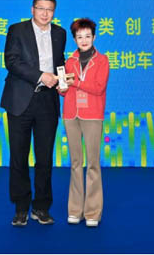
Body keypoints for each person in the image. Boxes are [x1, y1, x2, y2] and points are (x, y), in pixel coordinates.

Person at [0, 0, 66, 227]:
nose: (45, 14)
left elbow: (59, 62)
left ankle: (41, 207)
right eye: (41, 8)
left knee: (45, 157)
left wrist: (62, 82)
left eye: (50, 10)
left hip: (47, 101)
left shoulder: (60, 33)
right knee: (19, 156)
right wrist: (40, 76)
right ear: (32, 9)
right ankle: (21, 208)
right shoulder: (17, 30)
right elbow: (11, 61)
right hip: (20, 100)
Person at [58, 18, 109, 227]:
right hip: (71, 115)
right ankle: (74, 210)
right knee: (75, 164)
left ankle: (93, 212)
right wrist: (62, 88)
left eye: (88, 36)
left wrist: (76, 82)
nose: (84, 40)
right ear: (74, 39)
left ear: (94, 37)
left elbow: (98, 87)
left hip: (93, 115)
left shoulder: (102, 60)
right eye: (79, 37)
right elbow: (65, 90)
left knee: (93, 164)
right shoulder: (69, 61)